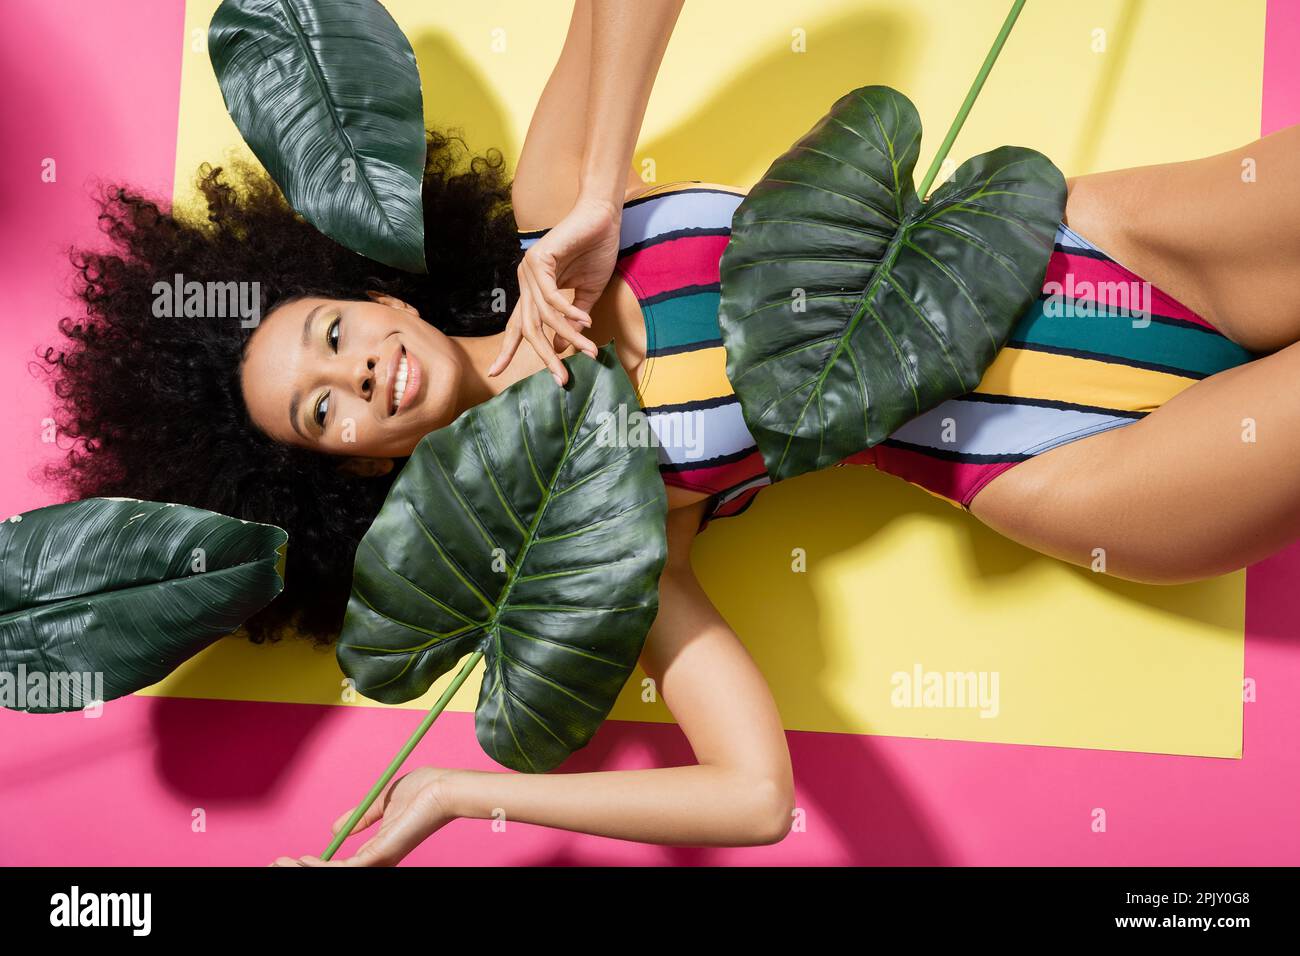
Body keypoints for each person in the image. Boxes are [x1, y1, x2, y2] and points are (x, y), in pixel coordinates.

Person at [42, 1, 1300, 864]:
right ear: (351, 470)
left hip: (1096, 246)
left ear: (369, 290)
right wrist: (455, 788)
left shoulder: (550, 209)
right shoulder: (590, 528)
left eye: (326, 330)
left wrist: (599, 195)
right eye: (321, 414)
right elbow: (756, 797)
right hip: (1062, 468)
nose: (355, 375)